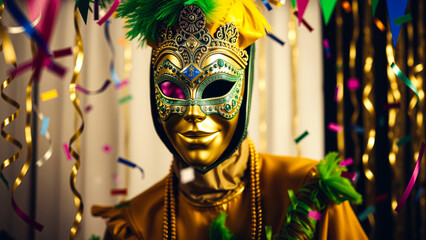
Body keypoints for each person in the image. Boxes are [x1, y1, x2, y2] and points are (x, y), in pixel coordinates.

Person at [92, 1, 368, 239]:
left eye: (215, 87)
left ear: (244, 90)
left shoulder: (310, 194)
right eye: (173, 88)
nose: (194, 112)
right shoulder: (134, 225)